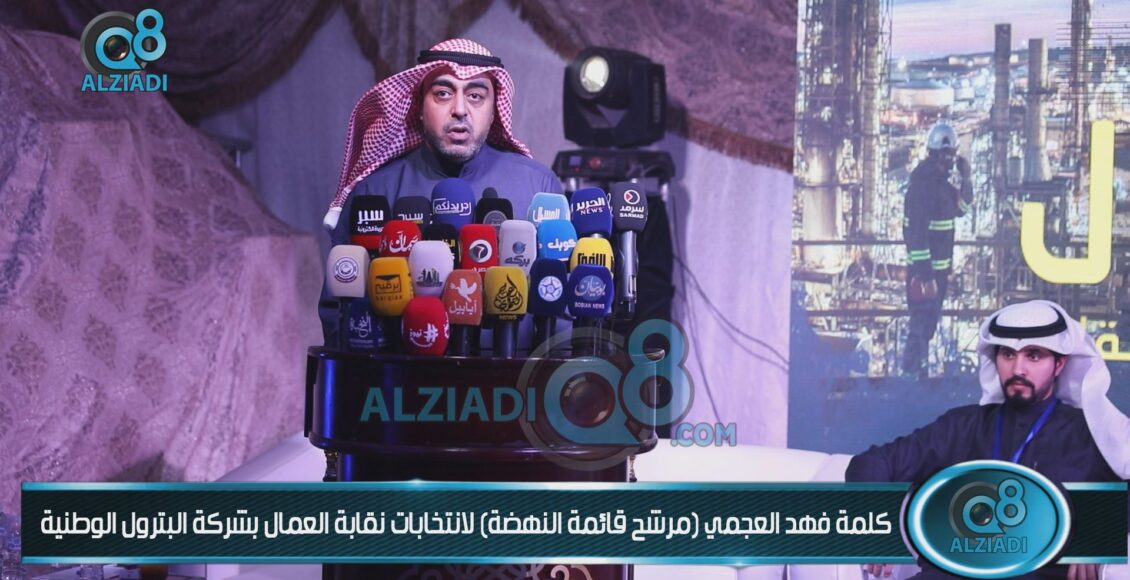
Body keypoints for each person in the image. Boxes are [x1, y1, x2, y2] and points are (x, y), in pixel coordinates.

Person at [849, 300, 1130, 579]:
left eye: (1033, 356)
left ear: (1059, 365)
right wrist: (877, 528)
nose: (1018, 369)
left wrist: (1099, 534)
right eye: (1008, 354)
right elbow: (871, 463)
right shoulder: (962, 426)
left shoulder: (1087, 434)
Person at [319, 38, 563, 343]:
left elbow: (561, 312)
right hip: (399, 372)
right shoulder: (374, 191)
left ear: (494, 112)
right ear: (419, 107)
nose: (459, 110)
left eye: (476, 96)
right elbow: (338, 310)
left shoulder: (539, 187)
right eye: (443, 93)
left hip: (514, 372)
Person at [902, 122, 973, 377]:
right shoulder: (922, 187)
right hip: (925, 275)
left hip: (938, 273)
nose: (951, 159)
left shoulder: (942, 185)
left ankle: (917, 377)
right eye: (948, 154)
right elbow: (916, 236)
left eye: (952, 154)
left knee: (927, 328)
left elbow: (963, 208)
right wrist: (926, 276)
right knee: (920, 328)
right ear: (937, 154)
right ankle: (910, 381)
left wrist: (966, 178)